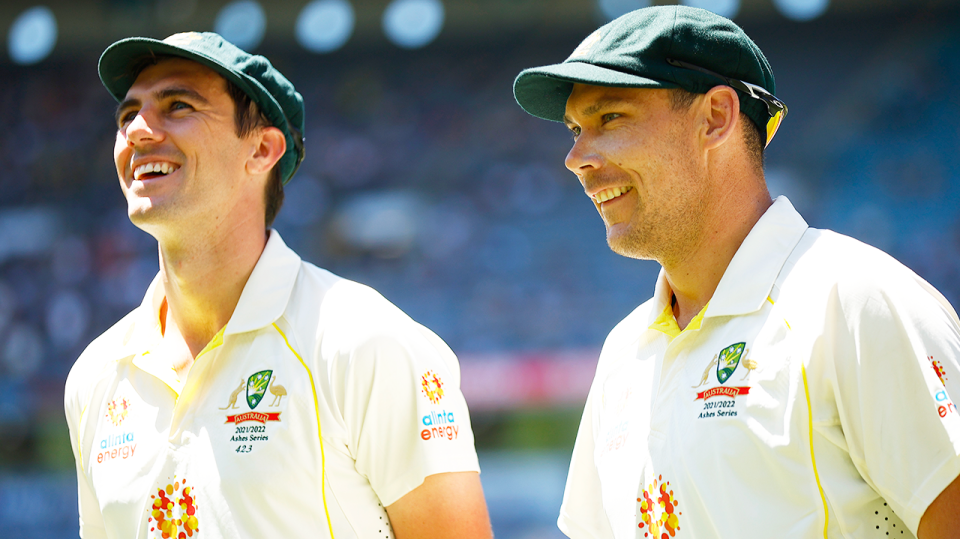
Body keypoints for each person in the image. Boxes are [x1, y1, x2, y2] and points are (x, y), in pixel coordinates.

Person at [513, 6, 960, 538]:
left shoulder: (856, 302)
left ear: (715, 117)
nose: (575, 157)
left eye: (610, 118)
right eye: (573, 130)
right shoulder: (623, 351)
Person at [64, 32, 492, 539]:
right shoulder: (94, 376)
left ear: (262, 149)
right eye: (126, 115)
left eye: (178, 106)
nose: (137, 130)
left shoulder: (365, 340)